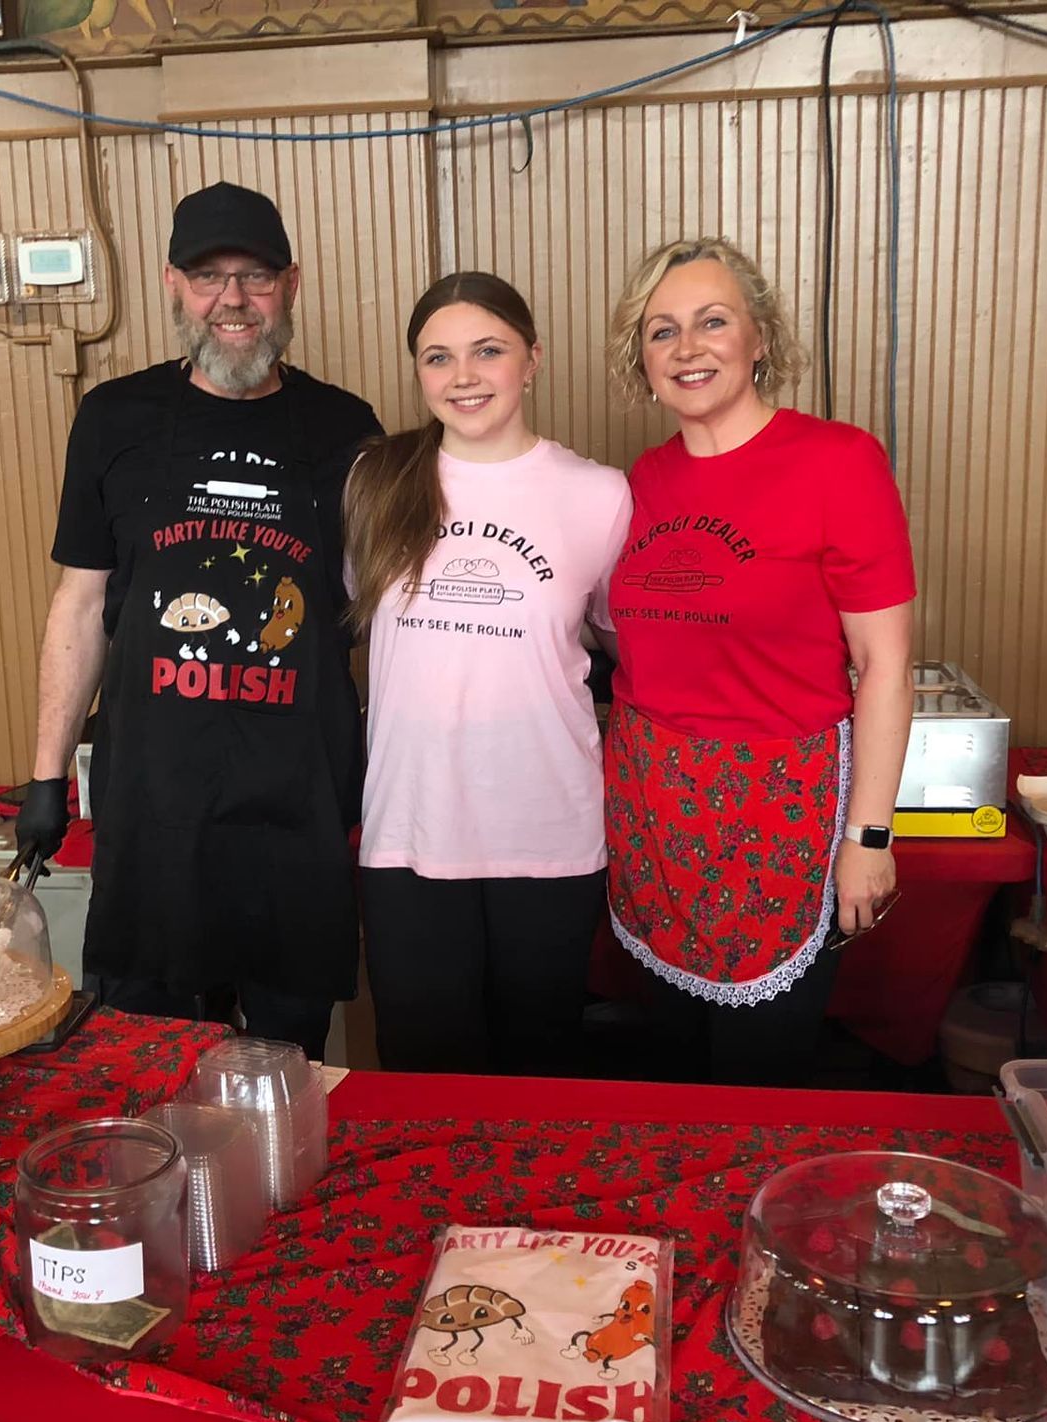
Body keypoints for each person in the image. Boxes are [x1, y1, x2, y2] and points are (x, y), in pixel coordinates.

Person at [15, 181, 381, 1059]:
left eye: (254, 276)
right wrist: (44, 777)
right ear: (174, 285)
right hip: (156, 806)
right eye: (209, 276)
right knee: (150, 1059)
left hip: (296, 807)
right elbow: (83, 602)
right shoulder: (114, 419)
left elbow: (380, 608)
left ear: (291, 285)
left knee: (287, 1065)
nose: (233, 300)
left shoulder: (346, 428)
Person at [599, 237, 916, 1087]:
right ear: (643, 359)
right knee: (667, 1058)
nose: (688, 348)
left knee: (758, 1077)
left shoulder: (839, 463)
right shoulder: (643, 481)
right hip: (652, 810)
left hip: (783, 811)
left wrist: (870, 836)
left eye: (712, 322)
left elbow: (886, 667)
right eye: (662, 332)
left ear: (761, 337)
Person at [344, 272, 631, 1076]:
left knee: (539, 1072)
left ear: (531, 359)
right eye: (438, 357)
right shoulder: (374, 484)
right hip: (410, 833)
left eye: (488, 351)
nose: (462, 376)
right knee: (425, 1075)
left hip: (547, 833)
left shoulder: (599, 495)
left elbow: (620, 645)